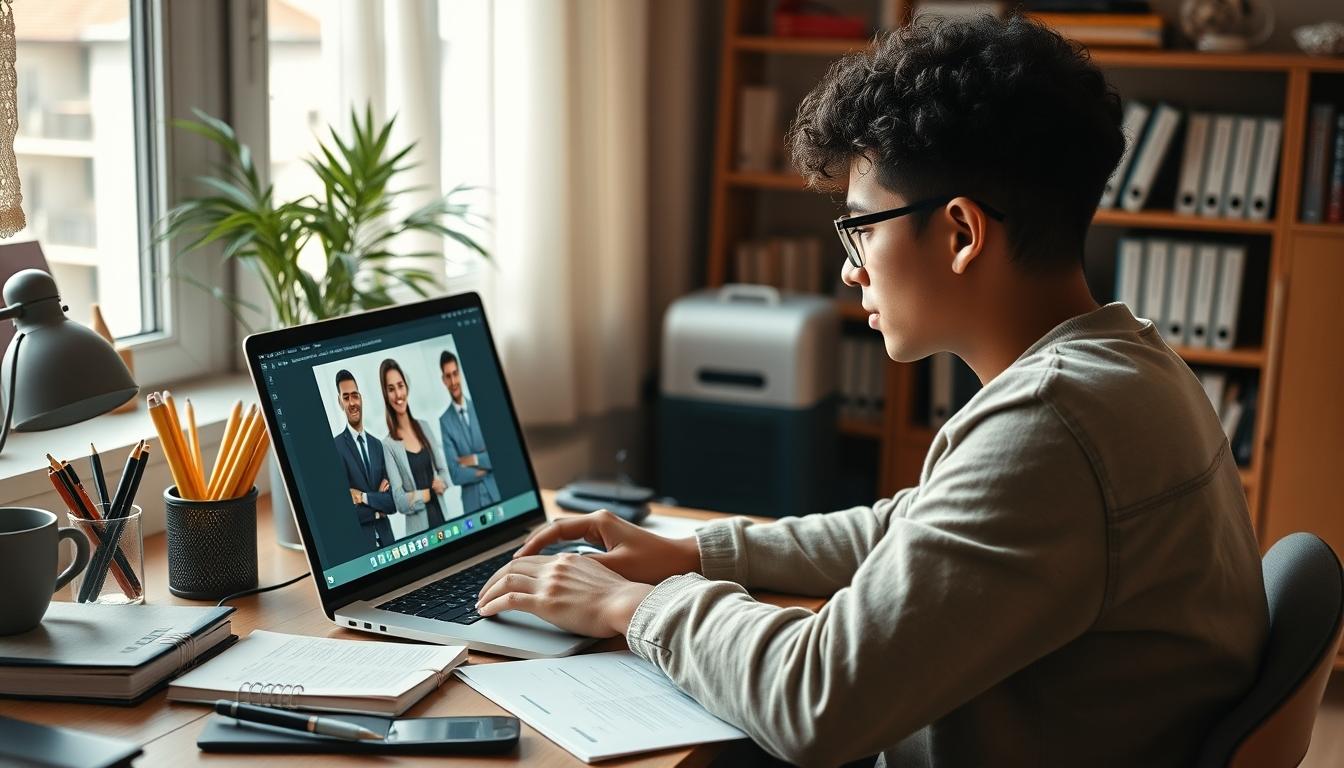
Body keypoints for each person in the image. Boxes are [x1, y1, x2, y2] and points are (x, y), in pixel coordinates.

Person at [471, 15, 1269, 767]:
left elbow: (818, 701)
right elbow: (920, 526)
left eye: (861, 227)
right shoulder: (1127, 358)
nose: (850, 268)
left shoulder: (1051, 426)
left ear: (961, 233)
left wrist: (633, 606)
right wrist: (698, 550)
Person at [379, 358, 452, 535]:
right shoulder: (388, 445)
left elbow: (444, 471)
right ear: (386, 395)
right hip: (420, 536)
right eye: (391, 389)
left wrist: (442, 483)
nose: (398, 394)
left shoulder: (424, 427)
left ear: (407, 387)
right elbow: (399, 501)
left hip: (445, 523)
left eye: (400, 385)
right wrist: (424, 495)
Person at [331, 369, 398, 549]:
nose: (352, 403)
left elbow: (392, 502)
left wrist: (362, 497)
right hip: (362, 548)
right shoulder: (335, 448)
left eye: (355, 396)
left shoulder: (378, 445)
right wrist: (378, 507)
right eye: (346, 398)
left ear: (361, 398)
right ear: (340, 402)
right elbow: (344, 513)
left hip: (389, 544)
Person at [438, 350, 501, 512]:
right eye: (448, 376)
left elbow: (498, 457)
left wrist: (473, 459)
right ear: (443, 380)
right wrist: (485, 466)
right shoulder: (444, 421)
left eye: (455, 374)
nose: (453, 381)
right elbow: (455, 474)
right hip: (472, 505)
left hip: (497, 494)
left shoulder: (481, 407)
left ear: (460, 374)